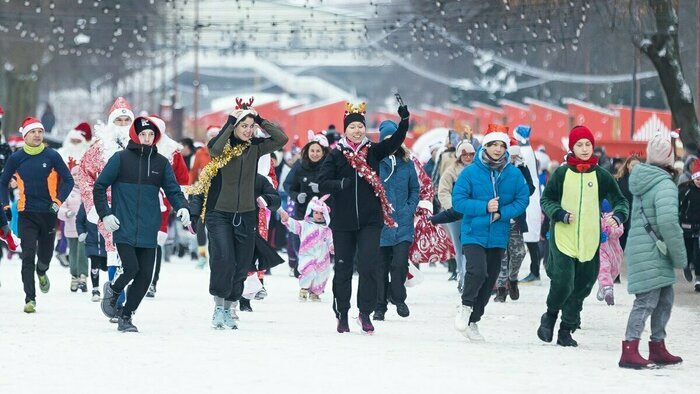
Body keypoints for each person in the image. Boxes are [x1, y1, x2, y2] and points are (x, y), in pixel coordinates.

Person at [187, 97, 288, 328]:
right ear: (235, 126)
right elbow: (213, 149)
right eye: (244, 125)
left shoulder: (256, 147)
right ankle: (219, 307)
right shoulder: (222, 149)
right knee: (223, 259)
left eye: (251, 126)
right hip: (218, 214)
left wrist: (259, 119)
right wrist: (232, 121)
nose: (249, 130)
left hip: (246, 214)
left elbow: (281, 139)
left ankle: (231, 304)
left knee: (242, 264)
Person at [318, 102, 409, 334]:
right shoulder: (336, 154)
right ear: (345, 130)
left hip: (370, 220)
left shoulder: (373, 151)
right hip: (343, 222)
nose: (357, 131)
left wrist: (404, 121)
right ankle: (342, 313)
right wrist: (340, 184)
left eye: (360, 126)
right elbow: (322, 182)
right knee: (343, 269)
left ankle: (365, 313)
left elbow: (394, 142)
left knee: (369, 266)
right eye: (353, 127)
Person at [537, 126, 629, 347]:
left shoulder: (601, 175)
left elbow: (621, 201)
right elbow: (546, 199)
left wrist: (618, 216)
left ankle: (566, 329)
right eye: (580, 145)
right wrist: (558, 213)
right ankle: (549, 316)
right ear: (572, 147)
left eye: (588, 144)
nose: (585, 148)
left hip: (590, 240)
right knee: (563, 281)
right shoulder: (561, 173)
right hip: (563, 238)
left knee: (582, 286)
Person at [96, 116, 190, 332]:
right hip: (123, 225)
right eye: (143, 134)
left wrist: (182, 206)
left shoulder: (161, 163)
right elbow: (100, 186)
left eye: (150, 135)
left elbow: (173, 190)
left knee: (145, 276)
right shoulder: (120, 159)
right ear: (135, 136)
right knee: (131, 268)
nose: (147, 139)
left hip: (149, 227)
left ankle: (126, 316)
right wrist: (106, 214)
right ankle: (114, 289)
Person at [452, 124, 529, 341]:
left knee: (491, 280)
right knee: (477, 271)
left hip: (498, 234)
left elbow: (522, 199)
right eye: (493, 144)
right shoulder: (470, 172)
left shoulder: (513, 174)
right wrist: (485, 207)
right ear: (484, 146)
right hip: (473, 231)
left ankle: (474, 321)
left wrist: (503, 213)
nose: (497, 148)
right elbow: (459, 201)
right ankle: (465, 307)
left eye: (501, 145)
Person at [619, 134, 686, 369]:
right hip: (653, 250)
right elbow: (668, 222)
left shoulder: (643, 178)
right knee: (646, 300)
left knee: (664, 298)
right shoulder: (664, 183)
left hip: (643, 246)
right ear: (670, 157)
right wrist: (681, 257)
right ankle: (629, 348)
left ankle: (657, 346)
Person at [0, 117, 74, 313]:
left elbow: (68, 180)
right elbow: (3, 181)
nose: (37, 135)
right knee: (27, 255)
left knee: (44, 258)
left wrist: (58, 202)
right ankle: (30, 298)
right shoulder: (16, 158)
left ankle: (41, 272)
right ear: (25, 135)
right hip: (26, 213)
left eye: (40, 131)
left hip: (49, 213)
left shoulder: (52, 156)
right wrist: (6, 206)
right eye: (33, 132)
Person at [78, 97, 135, 312]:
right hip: (108, 208)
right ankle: (115, 301)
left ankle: (122, 296)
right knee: (114, 250)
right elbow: (84, 176)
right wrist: (94, 207)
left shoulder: (140, 146)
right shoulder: (98, 149)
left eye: (125, 120)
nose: (122, 124)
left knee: (131, 254)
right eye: (118, 120)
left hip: (133, 207)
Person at [374, 120, 419, 321]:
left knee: (400, 264)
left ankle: (399, 298)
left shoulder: (407, 163)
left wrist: (409, 208)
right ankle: (380, 306)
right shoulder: (375, 162)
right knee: (381, 267)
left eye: (394, 138)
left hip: (403, 222)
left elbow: (415, 189)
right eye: (386, 139)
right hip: (381, 223)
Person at [283, 132, 330, 277]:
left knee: (319, 245)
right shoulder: (300, 165)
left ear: (323, 152)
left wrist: (322, 189)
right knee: (299, 241)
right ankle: (301, 266)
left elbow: (335, 186)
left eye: (318, 151)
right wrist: (297, 196)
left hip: (322, 214)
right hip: (303, 212)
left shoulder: (328, 166)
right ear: (307, 151)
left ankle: (317, 271)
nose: (315, 154)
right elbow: (288, 184)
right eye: (312, 151)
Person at [494, 141, 535, 303]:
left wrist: (520, 184)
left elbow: (530, 189)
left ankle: (512, 279)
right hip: (498, 219)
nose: (513, 158)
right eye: (512, 155)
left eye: (516, 156)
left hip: (516, 218)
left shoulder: (522, 169)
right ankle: (501, 288)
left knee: (519, 252)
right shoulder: (496, 168)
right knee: (501, 255)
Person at [280, 196, 334, 302]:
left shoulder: (327, 230)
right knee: (308, 272)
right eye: (316, 213)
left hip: (323, 258)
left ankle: (316, 292)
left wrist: (332, 247)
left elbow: (330, 242)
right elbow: (295, 225)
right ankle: (304, 288)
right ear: (311, 212)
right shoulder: (305, 225)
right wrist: (287, 219)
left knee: (321, 275)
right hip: (307, 255)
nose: (319, 215)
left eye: (321, 213)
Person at [438, 140, 474, 286]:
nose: (468, 157)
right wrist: (452, 208)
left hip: (474, 213)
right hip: (456, 215)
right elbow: (443, 191)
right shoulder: (451, 171)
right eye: (464, 154)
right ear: (459, 155)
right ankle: (462, 276)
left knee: (473, 247)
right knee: (459, 248)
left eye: (471, 154)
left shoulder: (479, 169)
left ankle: (471, 277)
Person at [189, 126, 219, 268]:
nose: (213, 138)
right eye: (211, 135)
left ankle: (216, 255)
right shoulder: (201, 153)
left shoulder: (225, 152)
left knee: (216, 226)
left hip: (220, 193)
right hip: (202, 191)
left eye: (216, 135)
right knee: (200, 225)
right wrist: (190, 190)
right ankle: (202, 255)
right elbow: (194, 172)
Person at [57, 167, 88, 293]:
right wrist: (66, 212)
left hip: (84, 229)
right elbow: (60, 208)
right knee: (73, 253)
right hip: (70, 228)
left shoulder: (87, 191)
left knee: (83, 253)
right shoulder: (68, 191)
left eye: (78, 174)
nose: (76, 177)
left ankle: (83, 276)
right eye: (74, 175)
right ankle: (74, 276)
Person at [76, 202, 107, 302]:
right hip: (91, 241)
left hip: (107, 242)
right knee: (95, 264)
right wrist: (81, 232)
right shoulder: (86, 203)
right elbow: (79, 220)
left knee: (106, 266)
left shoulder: (110, 200)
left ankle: (113, 288)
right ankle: (95, 290)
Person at [596, 200, 624, 305]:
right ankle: (608, 289)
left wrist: (610, 231)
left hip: (614, 250)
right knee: (603, 267)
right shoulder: (595, 216)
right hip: (601, 249)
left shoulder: (614, 217)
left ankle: (603, 287)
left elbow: (619, 231)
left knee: (614, 270)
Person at [678, 158, 700, 289]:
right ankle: (686, 265)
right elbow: (678, 205)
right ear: (693, 179)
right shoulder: (686, 191)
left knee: (699, 251)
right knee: (689, 250)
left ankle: (698, 278)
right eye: (697, 179)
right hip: (687, 224)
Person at [615, 154, 641, 250]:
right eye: (633, 165)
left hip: (636, 216)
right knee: (621, 243)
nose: (635, 168)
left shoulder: (642, 181)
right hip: (622, 215)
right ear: (627, 165)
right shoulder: (619, 180)